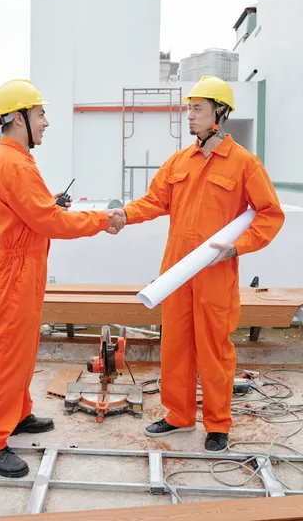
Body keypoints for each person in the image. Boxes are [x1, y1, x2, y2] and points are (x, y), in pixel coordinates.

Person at [113, 75, 285, 453]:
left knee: (215, 348)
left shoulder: (244, 164)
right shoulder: (180, 161)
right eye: (189, 108)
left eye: (197, 109)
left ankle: (218, 424)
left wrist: (237, 247)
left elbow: (270, 215)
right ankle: (178, 415)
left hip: (215, 272)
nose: (189, 116)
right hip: (177, 271)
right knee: (175, 345)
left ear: (219, 113)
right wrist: (124, 214)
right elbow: (153, 201)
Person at [0, 79, 124, 477]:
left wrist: (48, 202)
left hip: (17, 266)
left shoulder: (6, 160)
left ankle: (17, 415)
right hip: (14, 271)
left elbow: (30, 210)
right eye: (40, 114)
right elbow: (50, 221)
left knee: (20, 349)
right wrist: (101, 220)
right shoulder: (14, 164)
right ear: (19, 118)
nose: (46, 122)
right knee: (6, 354)